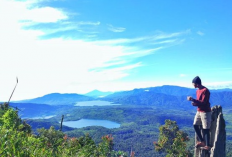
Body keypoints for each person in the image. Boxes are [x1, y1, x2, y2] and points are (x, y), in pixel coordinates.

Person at [187, 76, 211, 150]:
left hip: (205, 112)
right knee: (195, 125)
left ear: (196, 83)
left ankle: (208, 145)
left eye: (193, 84)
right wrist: (194, 103)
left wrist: (193, 100)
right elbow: (199, 102)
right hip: (199, 110)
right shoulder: (197, 91)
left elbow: (204, 102)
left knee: (206, 128)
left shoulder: (205, 90)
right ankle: (202, 141)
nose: (193, 85)